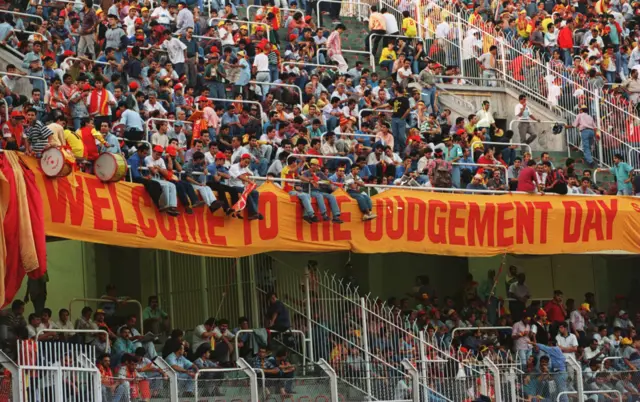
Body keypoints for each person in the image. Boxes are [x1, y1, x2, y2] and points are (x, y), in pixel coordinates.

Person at [300, 158, 344, 223]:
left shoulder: (320, 173)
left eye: (317, 165)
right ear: (311, 165)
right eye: (314, 165)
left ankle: (336, 216)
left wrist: (332, 184)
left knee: (331, 196)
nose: (316, 167)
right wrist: (313, 178)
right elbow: (302, 177)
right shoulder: (306, 172)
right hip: (309, 191)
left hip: (318, 191)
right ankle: (324, 214)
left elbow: (327, 180)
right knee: (319, 195)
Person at [229, 153, 263, 220]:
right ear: (241, 160)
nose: (246, 164)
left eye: (248, 163)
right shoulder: (234, 167)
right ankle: (254, 212)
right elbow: (240, 176)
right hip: (233, 186)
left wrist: (247, 176)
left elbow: (251, 174)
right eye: (245, 162)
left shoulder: (244, 168)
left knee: (255, 193)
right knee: (247, 192)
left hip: (241, 186)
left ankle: (253, 212)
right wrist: (249, 181)